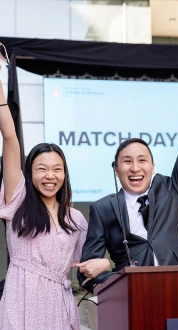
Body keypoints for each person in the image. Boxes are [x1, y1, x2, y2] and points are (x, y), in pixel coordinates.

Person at [77, 44, 178, 292]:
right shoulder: (102, 209)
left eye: (142, 160)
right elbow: (87, 277)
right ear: (116, 169)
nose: (135, 168)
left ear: (153, 166)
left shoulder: (171, 190)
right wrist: (113, 276)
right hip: (135, 299)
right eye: (127, 161)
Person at [0, 60, 109, 329]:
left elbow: (89, 265)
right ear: (30, 173)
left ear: (65, 174)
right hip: (20, 300)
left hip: (59, 304)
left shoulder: (76, 219)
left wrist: (105, 263)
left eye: (57, 169)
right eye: (42, 169)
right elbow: (10, 138)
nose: (50, 175)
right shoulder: (19, 202)